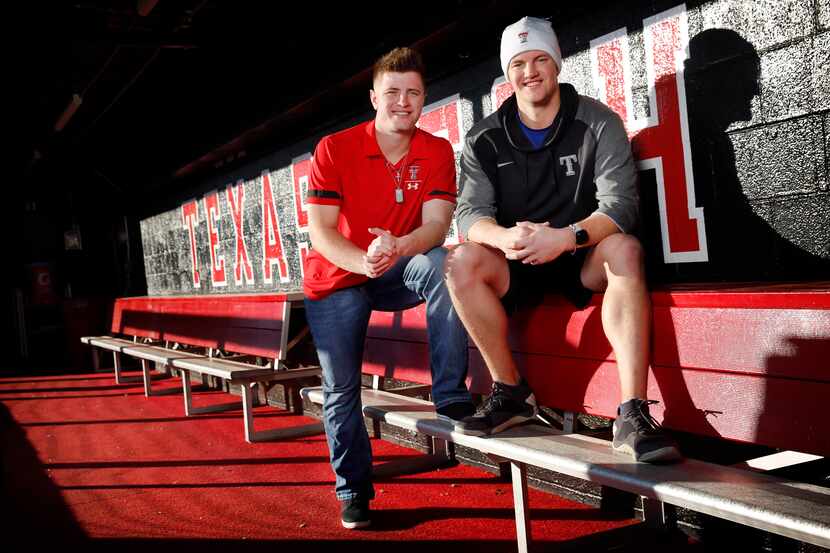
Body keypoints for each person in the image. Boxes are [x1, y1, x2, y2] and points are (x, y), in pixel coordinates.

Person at [445, 17, 681, 464]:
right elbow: (470, 214)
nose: (529, 71)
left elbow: (620, 206)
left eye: (539, 59)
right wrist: (505, 237)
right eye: (518, 63)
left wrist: (566, 237)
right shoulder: (485, 137)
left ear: (556, 63)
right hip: (518, 258)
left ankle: (632, 412)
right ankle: (511, 392)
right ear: (506, 73)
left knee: (626, 249)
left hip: (579, 252)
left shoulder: (598, 121)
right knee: (461, 261)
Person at [303, 46, 474, 529]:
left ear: (424, 99)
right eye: (393, 92)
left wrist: (396, 247)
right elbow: (321, 231)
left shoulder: (437, 149)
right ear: (374, 97)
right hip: (338, 275)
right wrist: (363, 258)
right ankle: (353, 489)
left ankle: (449, 394)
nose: (404, 101)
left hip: (396, 262)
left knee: (446, 262)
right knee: (341, 390)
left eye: (414, 93)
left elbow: (437, 226)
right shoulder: (334, 148)